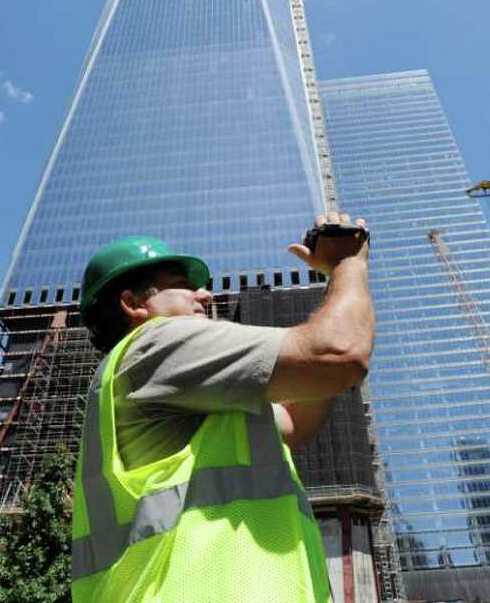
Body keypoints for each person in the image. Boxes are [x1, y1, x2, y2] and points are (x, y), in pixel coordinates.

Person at [70, 213, 374, 603]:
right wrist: (348, 264)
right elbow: (341, 353)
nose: (206, 295)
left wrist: (328, 321)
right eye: (182, 286)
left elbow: (296, 421)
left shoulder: (183, 386)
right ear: (133, 304)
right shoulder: (156, 344)